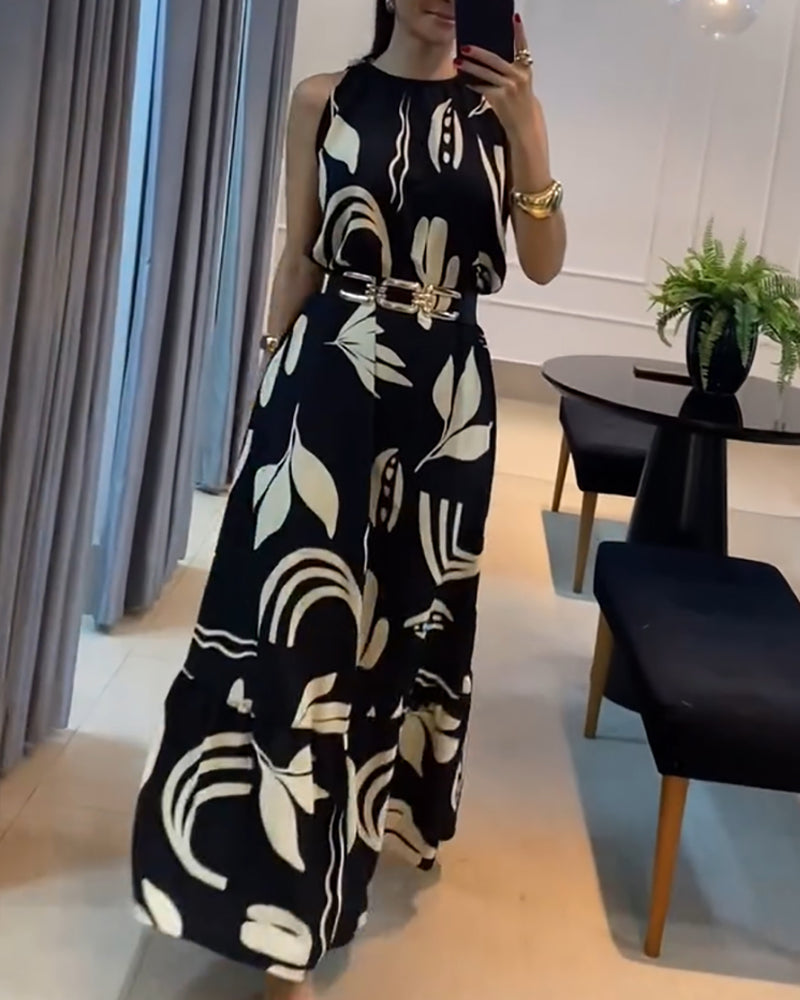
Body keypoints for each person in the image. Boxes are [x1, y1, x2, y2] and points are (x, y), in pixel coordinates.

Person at [130, 0, 566, 997]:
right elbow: (300, 252)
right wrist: (263, 384)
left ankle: (359, 843)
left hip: (443, 405)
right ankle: (279, 900)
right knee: (299, 634)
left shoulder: (503, 113)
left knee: (399, 630)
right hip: (326, 376)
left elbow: (540, 264)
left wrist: (531, 135)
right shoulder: (320, 101)